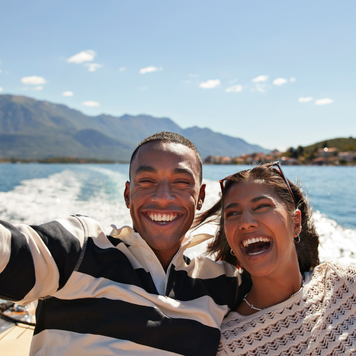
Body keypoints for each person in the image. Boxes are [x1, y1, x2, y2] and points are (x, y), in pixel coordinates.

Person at [0, 132, 242, 356]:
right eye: (147, 181)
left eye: (181, 182)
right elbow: (11, 249)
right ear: (128, 194)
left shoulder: (224, 284)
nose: (162, 197)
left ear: (200, 197)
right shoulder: (80, 249)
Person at [194, 161, 356, 355]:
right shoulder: (228, 343)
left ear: (296, 223)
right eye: (233, 213)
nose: (245, 223)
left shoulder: (345, 284)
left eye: (261, 206)